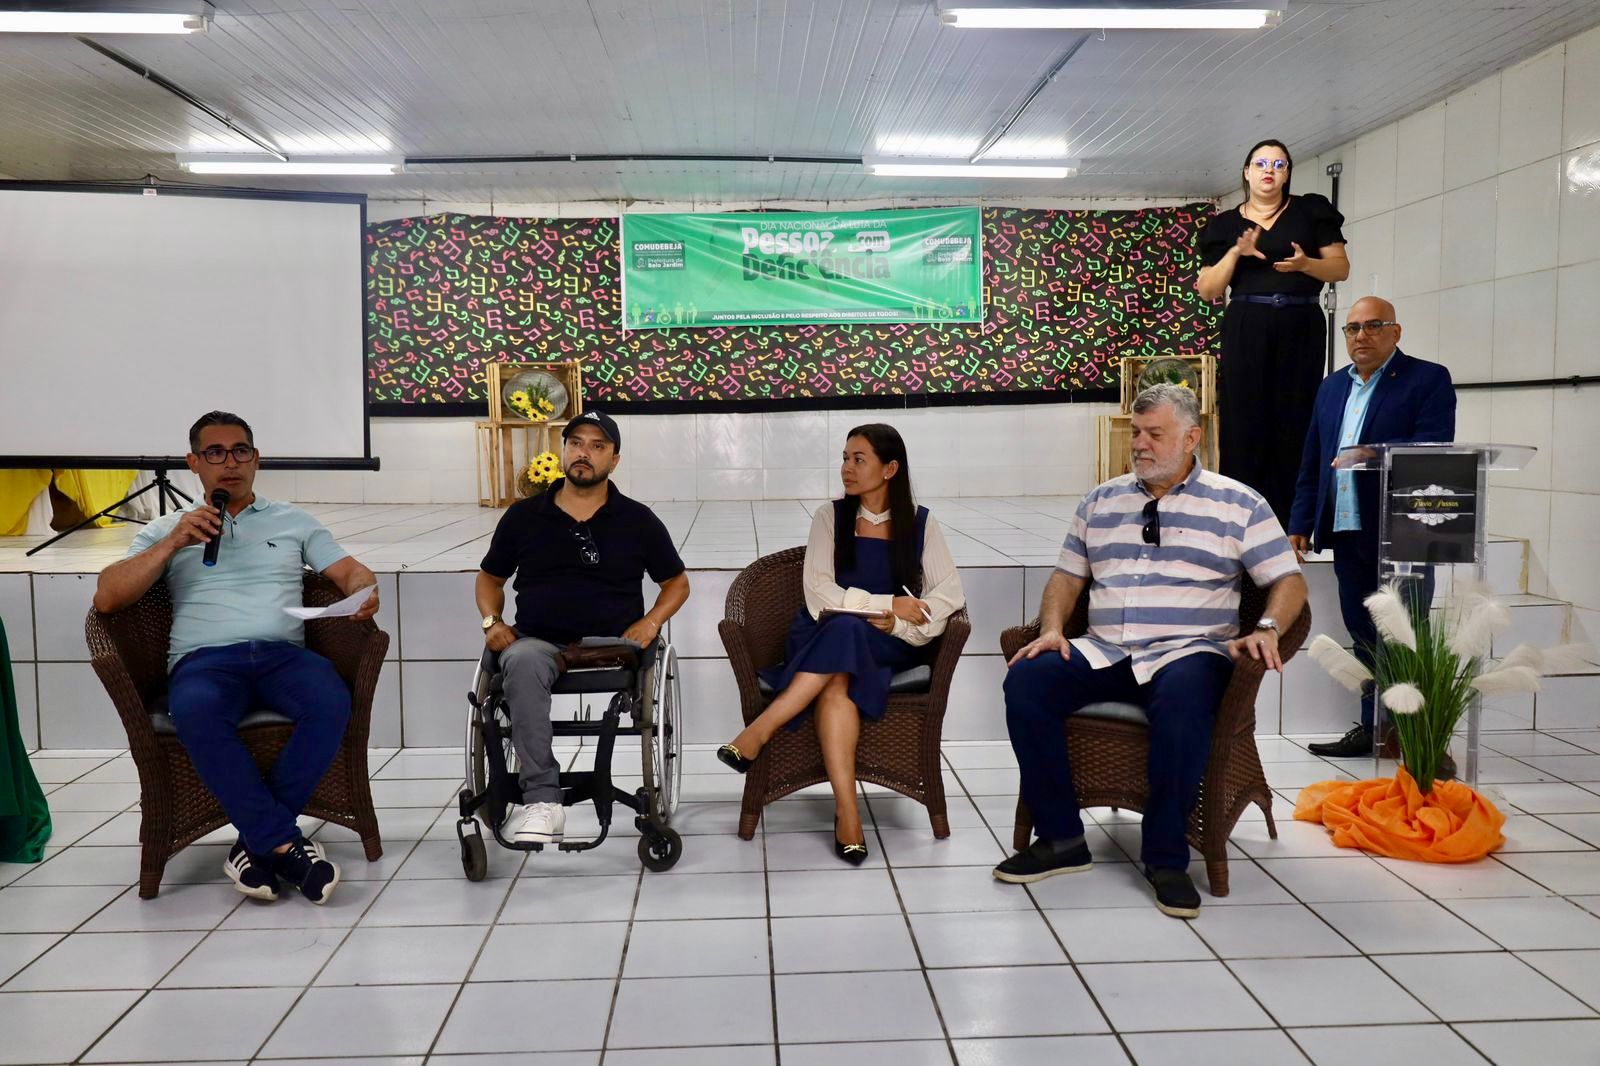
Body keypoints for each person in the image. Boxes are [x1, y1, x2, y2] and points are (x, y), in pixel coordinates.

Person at [996, 385, 1306, 918]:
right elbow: (1067, 577)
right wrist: (1051, 629)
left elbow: (1289, 580)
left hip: (1190, 652)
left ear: (1191, 438)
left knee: (1184, 703)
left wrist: (1269, 626)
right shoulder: (1100, 501)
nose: (1139, 443)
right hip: (1106, 650)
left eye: (1154, 434)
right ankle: (1062, 837)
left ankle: (1166, 859)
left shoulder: (1239, 503)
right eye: (1136, 432)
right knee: (1027, 680)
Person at [93, 411, 377, 904]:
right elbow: (108, 598)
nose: (230, 463)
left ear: (256, 458)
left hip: (283, 657)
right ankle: (285, 844)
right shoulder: (168, 528)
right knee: (195, 710)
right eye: (215, 453)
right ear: (194, 463)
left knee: (330, 700)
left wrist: (363, 591)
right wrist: (174, 542)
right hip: (204, 661)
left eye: (240, 451)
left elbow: (351, 571)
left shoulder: (293, 520)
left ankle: (257, 844)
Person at [715, 424, 965, 865]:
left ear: (890, 469)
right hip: (822, 632)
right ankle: (848, 813)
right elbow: (818, 594)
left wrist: (897, 624)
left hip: (885, 641)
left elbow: (949, 596)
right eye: (845, 458)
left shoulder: (921, 523)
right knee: (841, 654)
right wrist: (887, 603)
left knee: (848, 634)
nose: (846, 468)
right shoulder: (829, 517)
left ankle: (760, 731)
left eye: (858, 459)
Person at [476, 410, 689, 845]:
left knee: (528, 659)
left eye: (597, 446)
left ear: (614, 460)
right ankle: (543, 801)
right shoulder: (523, 517)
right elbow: (489, 579)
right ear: (563, 450)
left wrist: (651, 622)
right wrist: (492, 622)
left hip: (613, 644)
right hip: (539, 641)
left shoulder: (637, 519)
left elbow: (677, 583)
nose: (584, 453)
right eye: (576, 443)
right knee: (519, 661)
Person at [1289, 297, 1456, 758]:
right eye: (1352, 328)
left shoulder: (1427, 379)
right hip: (1347, 528)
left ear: (1395, 332)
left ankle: (1418, 735)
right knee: (1362, 631)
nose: (1361, 335)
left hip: (1403, 529)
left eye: (1373, 325)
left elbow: (1434, 444)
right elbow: (1313, 459)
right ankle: (1375, 727)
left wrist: (1374, 453)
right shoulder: (1331, 388)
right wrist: (1300, 521)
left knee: (1406, 632)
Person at [1198, 138, 1351, 524]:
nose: (1270, 170)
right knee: (1243, 418)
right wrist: (1236, 252)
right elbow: (1209, 289)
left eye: (1279, 164)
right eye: (1261, 163)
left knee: (1296, 416)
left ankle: (1293, 523)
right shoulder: (1224, 224)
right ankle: (1239, 518)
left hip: (1300, 322)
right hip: (1246, 323)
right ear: (1247, 172)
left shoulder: (1310, 210)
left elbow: (1340, 268)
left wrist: (1305, 265)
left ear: (1287, 174)